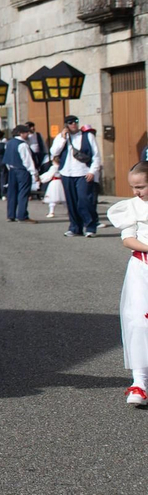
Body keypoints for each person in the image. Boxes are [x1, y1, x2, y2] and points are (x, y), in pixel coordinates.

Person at [112, 163, 148, 408]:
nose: (136, 191)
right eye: (133, 187)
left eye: (141, 187)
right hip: (142, 267)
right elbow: (128, 240)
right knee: (139, 321)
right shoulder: (131, 207)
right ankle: (140, 381)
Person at [51, 114, 101, 237]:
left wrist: (92, 171)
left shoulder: (87, 136)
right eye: (70, 122)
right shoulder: (61, 137)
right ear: (66, 125)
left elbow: (96, 155)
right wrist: (63, 138)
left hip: (84, 173)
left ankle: (90, 227)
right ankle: (75, 228)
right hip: (67, 173)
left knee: (84, 200)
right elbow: (54, 152)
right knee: (71, 202)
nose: (73, 124)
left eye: (75, 121)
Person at [4, 124, 40, 224]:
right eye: (26, 132)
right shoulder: (22, 145)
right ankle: (22, 215)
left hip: (12, 169)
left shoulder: (9, 143)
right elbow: (27, 161)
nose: (27, 134)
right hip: (22, 170)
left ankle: (11, 215)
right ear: (21, 133)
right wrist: (34, 173)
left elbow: (7, 158)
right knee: (23, 192)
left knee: (12, 192)